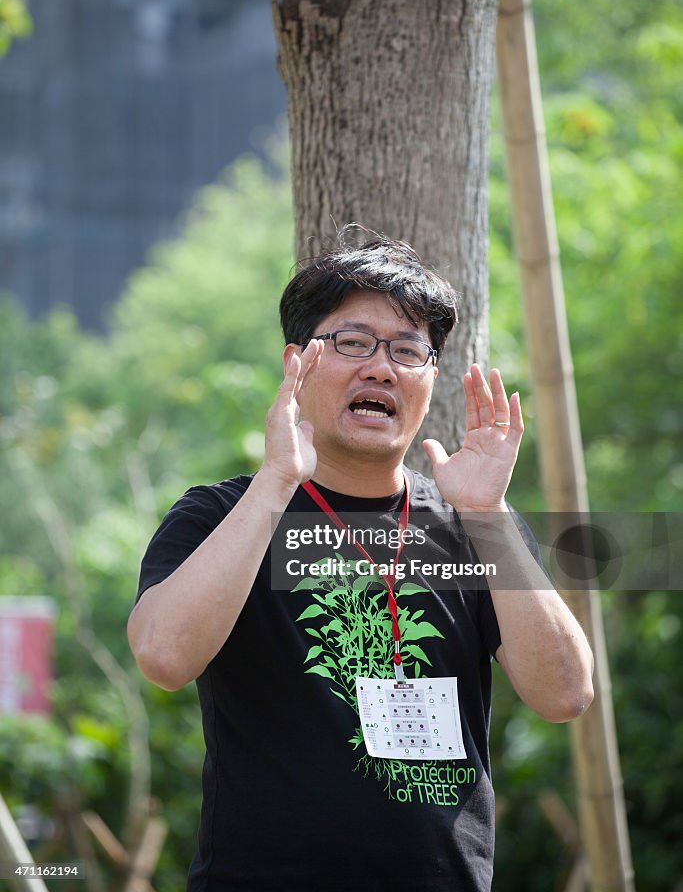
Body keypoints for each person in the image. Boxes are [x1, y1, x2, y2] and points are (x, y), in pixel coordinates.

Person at [128, 236, 594, 892]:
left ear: (430, 379)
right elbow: (162, 658)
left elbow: (564, 694)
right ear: (298, 363)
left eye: (407, 351)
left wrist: (487, 514)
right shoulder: (219, 514)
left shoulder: (475, 527)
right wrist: (278, 479)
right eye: (352, 342)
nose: (381, 368)